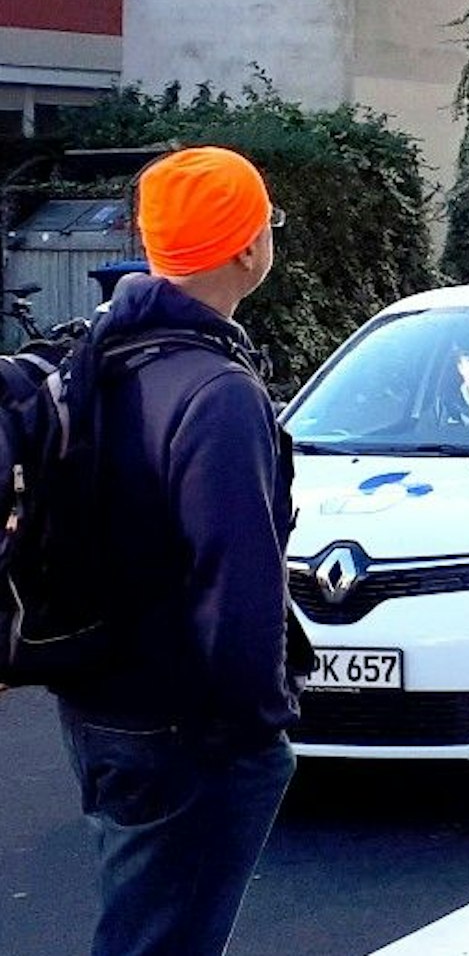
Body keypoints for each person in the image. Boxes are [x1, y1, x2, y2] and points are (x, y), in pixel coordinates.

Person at [49, 147, 306, 956]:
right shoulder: (217, 391)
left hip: (100, 703)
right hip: (181, 728)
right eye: (266, 223)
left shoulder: (104, 354)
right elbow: (237, 583)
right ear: (245, 248)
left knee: (141, 927)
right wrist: (261, 729)